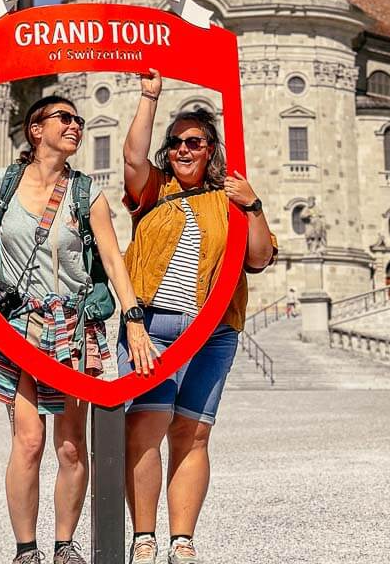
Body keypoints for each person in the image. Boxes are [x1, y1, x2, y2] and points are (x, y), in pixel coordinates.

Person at [0, 94, 158, 564]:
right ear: (36, 129)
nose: (76, 125)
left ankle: (64, 544)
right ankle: (25, 550)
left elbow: (113, 259)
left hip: (72, 327)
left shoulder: (86, 192)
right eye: (65, 118)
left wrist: (133, 321)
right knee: (27, 442)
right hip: (16, 325)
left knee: (71, 447)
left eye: (79, 120)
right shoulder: (3, 183)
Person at [120, 69, 277, 564]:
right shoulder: (154, 192)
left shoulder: (229, 198)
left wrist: (252, 205)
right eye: (175, 143)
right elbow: (130, 158)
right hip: (154, 328)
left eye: (195, 141)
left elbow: (256, 258)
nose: (183, 150)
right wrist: (149, 97)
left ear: (211, 149)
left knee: (193, 432)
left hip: (213, 332)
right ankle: (144, 537)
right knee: (147, 423)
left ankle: (181, 539)